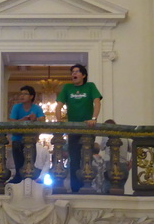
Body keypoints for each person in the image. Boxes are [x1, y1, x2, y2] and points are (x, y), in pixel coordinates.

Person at [55, 64, 102, 192]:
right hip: (73, 128)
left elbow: (97, 101)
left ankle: (88, 186)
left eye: (76, 72)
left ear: (83, 75)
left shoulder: (90, 86)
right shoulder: (67, 88)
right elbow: (58, 106)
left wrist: (94, 118)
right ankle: (75, 188)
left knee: (86, 157)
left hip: (88, 128)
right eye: (72, 72)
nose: (73, 74)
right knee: (74, 158)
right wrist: (59, 122)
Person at [9, 86, 45, 183]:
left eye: (25, 94)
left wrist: (35, 119)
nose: (22, 96)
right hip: (17, 138)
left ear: (31, 96)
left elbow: (43, 120)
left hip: (31, 139)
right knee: (18, 163)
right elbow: (12, 122)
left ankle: (30, 180)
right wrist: (24, 120)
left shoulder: (36, 108)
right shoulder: (16, 107)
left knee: (30, 163)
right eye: (21, 94)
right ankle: (18, 179)